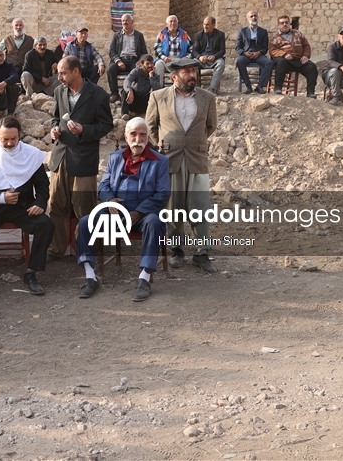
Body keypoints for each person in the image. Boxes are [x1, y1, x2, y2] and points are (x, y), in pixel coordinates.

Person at [74, 117, 170, 301]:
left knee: (155, 222)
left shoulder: (160, 161)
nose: (138, 139)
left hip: (143, 214)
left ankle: (144, 278)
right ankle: (90, 276)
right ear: (126, 137)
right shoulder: (115, 158)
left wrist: (139, 211)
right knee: (86, 222)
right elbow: (103, 187)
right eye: (133, 134)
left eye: (143, 135)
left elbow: (163, 193)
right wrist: (110, 200)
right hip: (115, 212)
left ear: (148, 137)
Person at [0, 116, 55, 298]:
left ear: (19, 135)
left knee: (46, 225)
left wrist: (40, 203)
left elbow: (43, 186)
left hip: (23, 206)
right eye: (5, 139)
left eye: (13, 138)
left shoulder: (31, 155)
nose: (9, 143)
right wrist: (1, 197)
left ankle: (31, 273)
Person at [146, 59, 219, 273]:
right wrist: (165, 144)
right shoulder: (158, 97)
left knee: (200, 207)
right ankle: (176, 249)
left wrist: (194, 142)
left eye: (193, 71)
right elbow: (151, 125)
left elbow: (211, 126)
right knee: (173, 207)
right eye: (186, 72)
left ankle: (202, 253)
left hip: (197, 158)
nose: (192, 75)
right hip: (169, 159)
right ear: (174, 77)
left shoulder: (207, 98)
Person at [47, 56, 113, 257]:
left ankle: (84, 249)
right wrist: (54, 130)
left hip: (84, 158)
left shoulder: (98, 95)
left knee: (84, 206)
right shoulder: (59, 91)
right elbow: (55, 118)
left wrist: (84, 129)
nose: (59, 77)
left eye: (63, 72)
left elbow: (106, 125)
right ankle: (56, 249)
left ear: (76, 72)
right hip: (60, 157)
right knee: (56, 204)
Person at [269, 15, 319, 98]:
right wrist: (284, 54)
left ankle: (310, 92)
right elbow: (272, 50)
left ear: (290, 24)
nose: (285, 24)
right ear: (279, 25)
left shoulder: (298, 34)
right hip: (285, 61)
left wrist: (305, 56)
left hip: (298, 60)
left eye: (286, 22)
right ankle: (278, 88)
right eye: (282, 23)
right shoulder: (275, 37)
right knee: (280, 62)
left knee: (312, 67)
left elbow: (306, 46)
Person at [107, 13, 149, 102]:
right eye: (123, 21)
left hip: (134, 61)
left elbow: (144, 52)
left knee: (141, 70)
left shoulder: (139, 35)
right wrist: (118, 61)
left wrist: (140, 61)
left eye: (126, 20)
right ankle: (115, 93)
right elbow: (112, 51)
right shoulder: (116, 35)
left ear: (132, 22)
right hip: (121, 60)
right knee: (110, 69)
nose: (124, 22)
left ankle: (137, 93)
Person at [235, 9, 273, 94]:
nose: (253, 18)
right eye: (251, 16)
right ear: (248, 19)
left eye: (255, 16)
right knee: (240, 61)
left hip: (258, 55)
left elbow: (265, 48)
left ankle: (260, 86)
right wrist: (244, 53)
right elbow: (238, 47)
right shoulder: (242, 31)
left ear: (258, 17)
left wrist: (258, 53)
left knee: (269, 63)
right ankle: (248, 86)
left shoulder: (263, 32)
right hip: (246, 54)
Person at [191, 16, 226, 94]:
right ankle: (195, 89)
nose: (205, 27)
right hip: (202, 58)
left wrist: (215, 56)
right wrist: (199, 57)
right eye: (204, 24)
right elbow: (194, 51)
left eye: (207, 25)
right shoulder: (199, 35)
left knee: (221, 64)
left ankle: (212, 88)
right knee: (192, 64)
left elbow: (222, 50)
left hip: (215, 58)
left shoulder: (220, 34)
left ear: (213, 25)